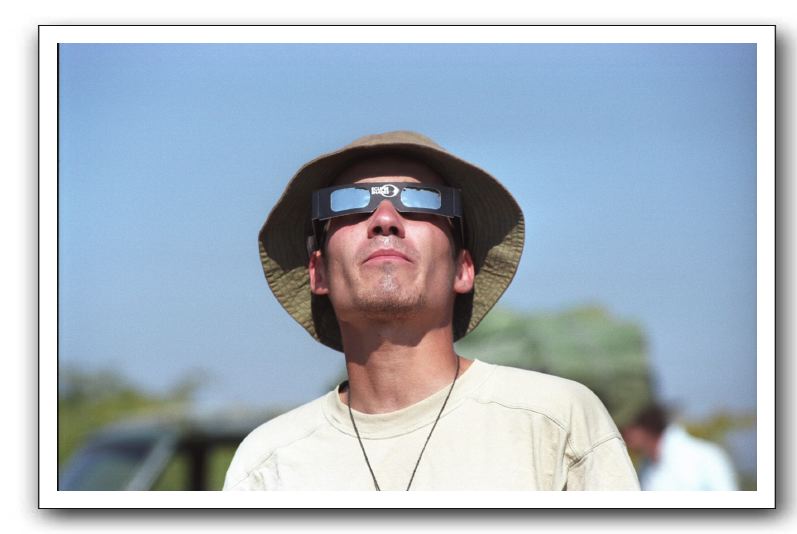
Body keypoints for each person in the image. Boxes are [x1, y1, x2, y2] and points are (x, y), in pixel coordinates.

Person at [223, 131, 640, 491]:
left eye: (421, 203)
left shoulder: (555, 423)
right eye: (350, 206)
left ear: (463, 268)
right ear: (319, 273)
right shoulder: (268, 464)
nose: (385, 218)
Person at [621, 404, 738, 490]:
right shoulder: (646, 468)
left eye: (625, 430)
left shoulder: (707, 456)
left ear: (642, 429)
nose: (623, 436)